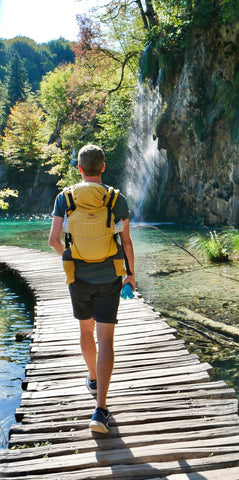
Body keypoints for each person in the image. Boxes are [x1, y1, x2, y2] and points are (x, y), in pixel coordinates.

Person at [48, 144, 135, 434]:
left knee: (86, 332)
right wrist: (130, 276)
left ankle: (92, 376)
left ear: (79, 168)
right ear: (104, 168)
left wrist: (71, 256)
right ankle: (100, 409)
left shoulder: (66, 197)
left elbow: (53, 240)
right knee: (106, 338)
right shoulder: (115, 198)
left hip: (79, 278)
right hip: (110, 276)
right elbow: (127, 243)